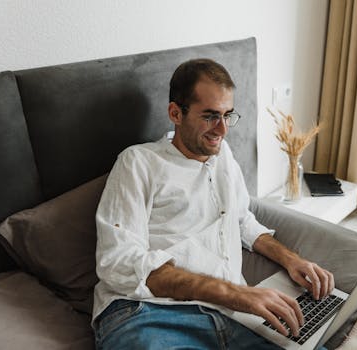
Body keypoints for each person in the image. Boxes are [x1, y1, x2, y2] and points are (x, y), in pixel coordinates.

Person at [92, 58, 335, 349]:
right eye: (209, 116)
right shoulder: (138, 162)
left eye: (227, 115)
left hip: (232, 316)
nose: (222, 130)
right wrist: (238, 294)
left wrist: (293, 260)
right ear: (175, 113)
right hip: (151, 314)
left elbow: (242, 221)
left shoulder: (224, 157)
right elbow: (118, 262)